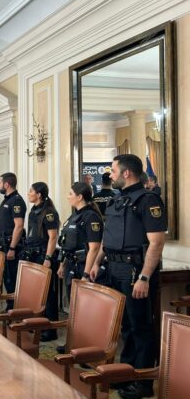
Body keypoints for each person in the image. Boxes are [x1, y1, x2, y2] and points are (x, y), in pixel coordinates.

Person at [91, 154, 166, 399]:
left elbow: (156, 243)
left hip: (135, 270)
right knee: (124, 326)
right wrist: (96, 262)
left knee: (140, 326)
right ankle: (126, 374)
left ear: (126, 173)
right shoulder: (116, 200)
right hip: (113, 269)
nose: (109, 175)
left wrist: (145, 277)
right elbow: (107, 237)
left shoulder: (148, 200)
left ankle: (142, 381)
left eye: (113, 170)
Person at [24, 182, 60, 342]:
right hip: (32, 253)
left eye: (31, 191)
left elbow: (53, 237)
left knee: (48, 294)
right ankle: (38, 323)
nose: (28, 193)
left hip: (43, 255)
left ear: (39, 194)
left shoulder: (49, 212)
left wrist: (47, 258)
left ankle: (50, 329)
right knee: (36, 292)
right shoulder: (34, 210)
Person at [57, 182, 103, 298]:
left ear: (80, 197)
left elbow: (94, 248)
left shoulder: (91, 216)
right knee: (72, 303)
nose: (67, 196)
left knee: (83, 305)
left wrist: (86, 275)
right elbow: (65, 242)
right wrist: (62, 265)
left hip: (83, 267)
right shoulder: (74, 216)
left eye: (70, 194)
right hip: (71, 265)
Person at [0, 172, 26, 310]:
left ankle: (15, 309)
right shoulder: (7, 199)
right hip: (2, 243)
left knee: (12, 279)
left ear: (6, 184)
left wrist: (12, 248)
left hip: (11, 245)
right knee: (6, 278)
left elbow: (19, 226)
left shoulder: (16, 200)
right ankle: (10, 307)